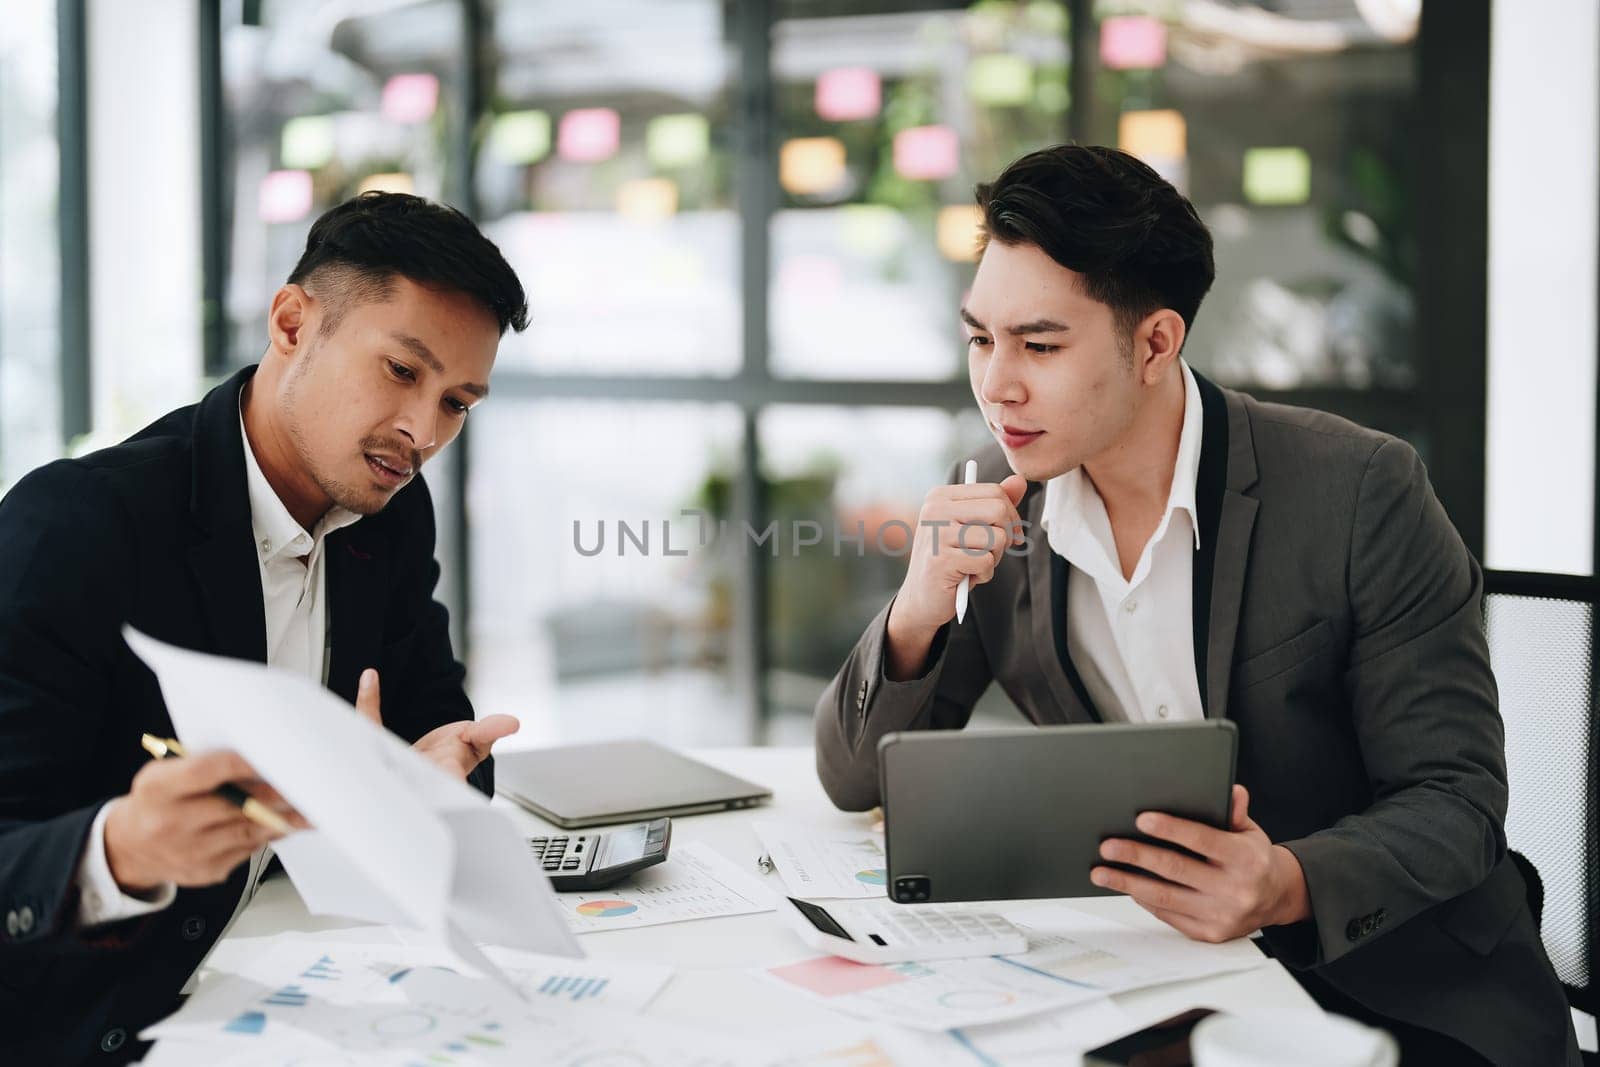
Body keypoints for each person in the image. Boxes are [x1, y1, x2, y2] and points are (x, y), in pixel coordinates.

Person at [814, 145, 1579, 1065]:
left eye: (1041, 345)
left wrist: (1287, 880)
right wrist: (918, 605)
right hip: (1149, 987)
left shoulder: (1358, 488)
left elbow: (1457, 801)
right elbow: (855, 779)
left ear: (1155, 343)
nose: (997, 384)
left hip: (1396, 994)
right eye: (981, 338)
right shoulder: (997, 498)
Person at [0, 191, 526, 1064]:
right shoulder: (76, 527)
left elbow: (434, 721)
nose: (422, 431)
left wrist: (420, 791)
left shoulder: (391, 514)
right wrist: (120, 849)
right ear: (292, 322)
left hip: (283, 992)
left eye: (458, 402)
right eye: (402, 370)